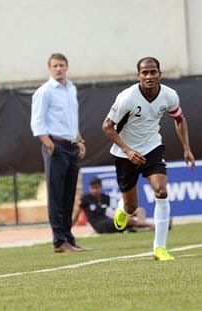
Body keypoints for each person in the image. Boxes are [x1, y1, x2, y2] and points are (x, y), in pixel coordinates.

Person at [102, 56, 195, 261]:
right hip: (125, 154)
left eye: (153, 72)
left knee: (161, 192)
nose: (149, 76)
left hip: (152, 147)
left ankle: (159, 248)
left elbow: (179, 119)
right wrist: (128, 151)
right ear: (139, 76)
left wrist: (186, 148)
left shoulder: (169, 95)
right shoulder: (127, 97)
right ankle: (122, 208)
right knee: (131, 208)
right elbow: (107, 127)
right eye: (145, 72)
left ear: (159, 74)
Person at [30, 53, 86, 253]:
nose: (59, 69)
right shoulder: (45, 91)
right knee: (56, 195)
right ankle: (59, 241)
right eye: (55, 66)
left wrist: (79, 140)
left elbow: (72, 119)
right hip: (55, 145)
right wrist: (48, 143)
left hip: (71, 145)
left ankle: (68, 238)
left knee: (68, 195)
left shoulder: (71, 88)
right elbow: (37, 121)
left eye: (62, 65)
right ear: (49, 68)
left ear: (67, 67)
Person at [74, 177, 154, 233]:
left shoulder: (105, 197)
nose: (94, 190)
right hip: (99, 225)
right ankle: (153, 226)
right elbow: (78, 212)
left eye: (96, 187)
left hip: (107, 220)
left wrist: (122, 216)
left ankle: (140, 228)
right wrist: (71, 224)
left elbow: (108, 212)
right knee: (128, 221)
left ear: (101, 187)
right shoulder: (86, 198)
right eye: (92, 188)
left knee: (140, 210)